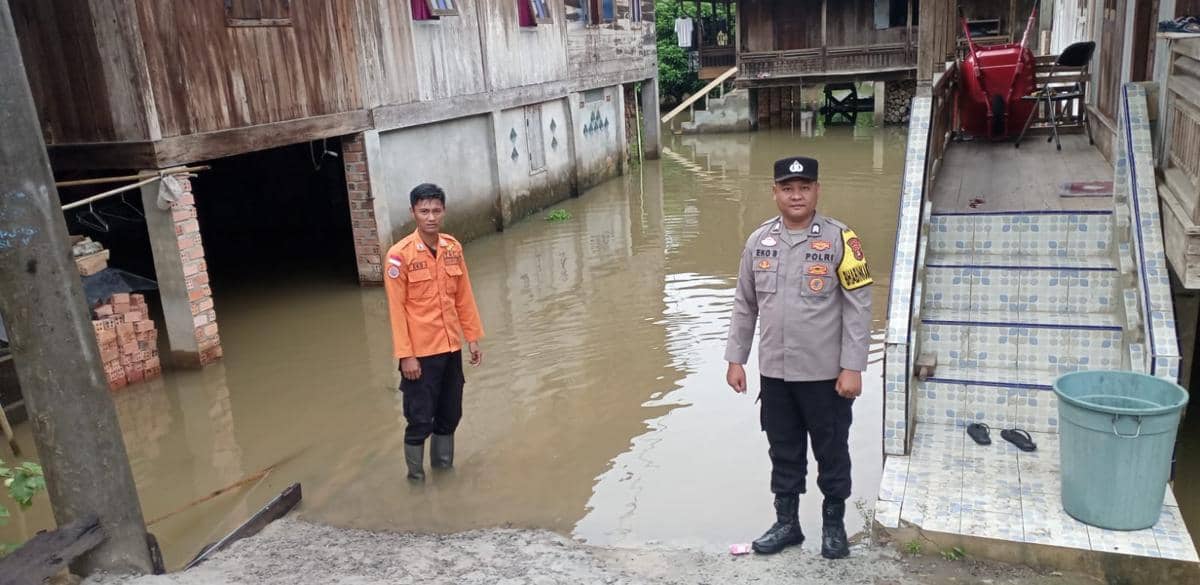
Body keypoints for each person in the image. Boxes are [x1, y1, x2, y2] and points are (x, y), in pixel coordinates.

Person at [724, 156, 872, 559]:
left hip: (826, 376)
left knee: (832, 452)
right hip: (775, 374)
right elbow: (745, 304)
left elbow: (858, 307)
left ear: (817, 191)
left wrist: (853, 366)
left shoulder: (843, 239)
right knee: (783, 451)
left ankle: (833, 526)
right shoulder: (758, 242)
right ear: (774, 192)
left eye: (804, 187)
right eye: (787, 188)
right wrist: (736, 359)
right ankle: (787, 525)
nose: (796, 195)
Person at [384, 183, 484, 481]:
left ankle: (444, 472)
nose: (431, 217)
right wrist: (406, 356)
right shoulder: (398, 256)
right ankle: (416, 480)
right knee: (419, 420)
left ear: (444, 211)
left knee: (450, 415)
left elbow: (463, 296)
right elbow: (396, 310)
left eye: (436, 210)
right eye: (424, 211)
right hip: (420, 355)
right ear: (413, 212)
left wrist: (472, 338)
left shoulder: (453, 248)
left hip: (451, 348)